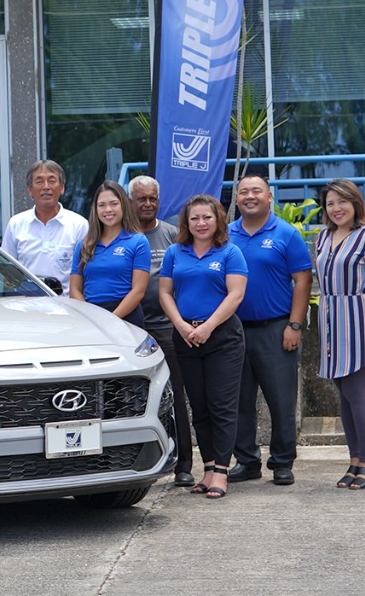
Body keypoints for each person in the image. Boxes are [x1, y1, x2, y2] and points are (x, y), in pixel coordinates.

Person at [158, 194, 248, 500]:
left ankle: (221, 471)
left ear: (218, 220)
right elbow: (165, 293)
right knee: (199, 406)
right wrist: (182, 326)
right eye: (194, 218)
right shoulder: (174, 252)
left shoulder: (230, 252)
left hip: (222, 337)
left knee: (222, 405)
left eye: (206, 217)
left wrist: (208, 326)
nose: (200, 223)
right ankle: (208, 467)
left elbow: (235, 295)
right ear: (186, 222)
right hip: (185, 336)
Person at [227, 174, 314, 487]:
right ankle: (247, 460)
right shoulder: (226, 234)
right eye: (244, 192)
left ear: (269, 197)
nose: (250, 196)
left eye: (257, 191)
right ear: (237, 199)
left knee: (280, 400)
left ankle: (282, 461)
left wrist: (294, 324)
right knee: (238, 400)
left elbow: (303, 280)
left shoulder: (286, 233)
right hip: (233, 331)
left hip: (276, 329)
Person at [316, 178, 365, 490]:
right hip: (331, 320)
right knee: (343, 394)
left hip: (359, 318)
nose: (336, 208)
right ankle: (354, 461)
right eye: (330, 203)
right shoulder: (323, 238)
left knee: (357, 392)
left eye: (342, 201)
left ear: (355, 203)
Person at [129, 175, 195, 487]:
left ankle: (184, 463)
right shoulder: (124, 236)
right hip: (130, 330)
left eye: (152, 198)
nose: (147, 204)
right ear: (131, 201)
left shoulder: (173, 235)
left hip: (167, 327)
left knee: (176, 395)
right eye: (141, 198)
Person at [0, 159, 88, 295]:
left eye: (52, 181)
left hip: (67, 309)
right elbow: (7, 273)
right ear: (30, 190)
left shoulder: (79, 225)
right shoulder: (16, 224)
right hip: (26, 307)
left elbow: (86, 273)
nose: (46, 187)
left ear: (62, 188)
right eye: (39, 181)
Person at [69, 179, 150, 328]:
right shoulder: (84, 244)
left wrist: (110, 320)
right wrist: (90, 318)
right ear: (95, 209)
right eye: (102, 205)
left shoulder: (138, 241)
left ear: (123, 206)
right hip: (90, 318)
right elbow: (74, 289)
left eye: (114, 203)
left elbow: (138, 290)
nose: (108, 210)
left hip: (126, 316)